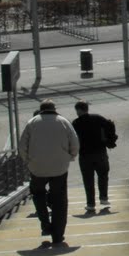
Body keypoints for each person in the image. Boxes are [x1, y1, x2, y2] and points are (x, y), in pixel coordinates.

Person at [19, 100, 79, 248]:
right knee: (60, 199)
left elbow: (22, 145)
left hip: (37, 167)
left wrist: (28, 160)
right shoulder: (63, 121)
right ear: (54, 109)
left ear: (41, 110)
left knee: (38, 193)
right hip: (59, 166)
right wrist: (70, 156)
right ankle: (58, 235)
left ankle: (45, 224)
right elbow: (75, 142)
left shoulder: (32, 122)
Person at [72, 100, 117, 213]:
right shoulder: (97, 118)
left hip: (84, 155)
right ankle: (104, 198)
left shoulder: (76, 123)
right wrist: (109, 140)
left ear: (78, 110)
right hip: (100, 152)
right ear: (87, 108)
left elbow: (72, 138)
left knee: (88, 179)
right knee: (103, 175)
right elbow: (110, 124)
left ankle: (90, 204)